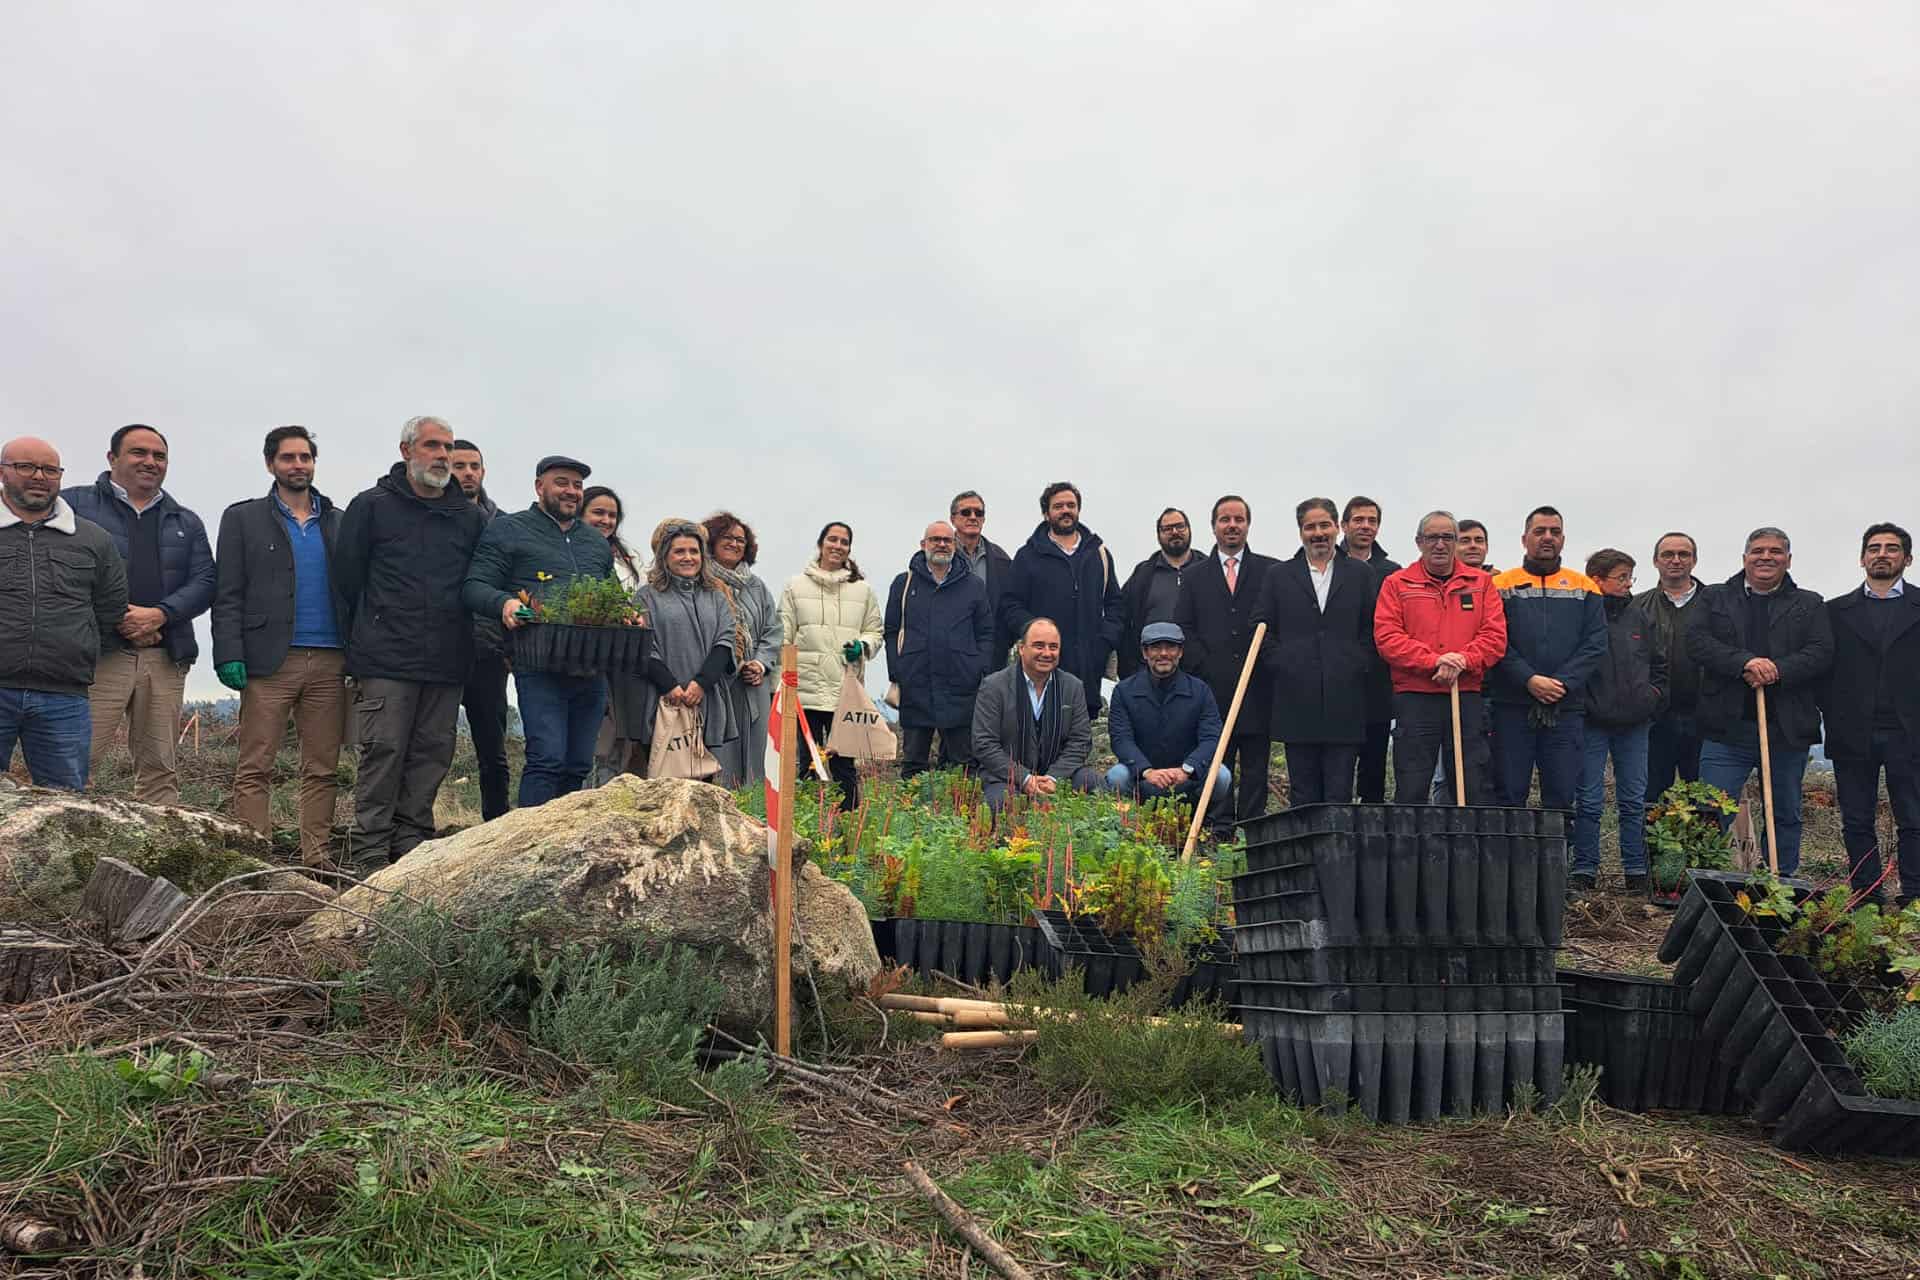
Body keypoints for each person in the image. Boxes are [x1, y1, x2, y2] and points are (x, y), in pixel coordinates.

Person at [334, 416, 487, 872]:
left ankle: (411, 851)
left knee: (431, 756)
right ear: (406, 451)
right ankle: (368, 855)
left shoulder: (470, 517)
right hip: (385, 658)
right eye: (432, 446)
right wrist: (363, 641)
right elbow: (346, 579)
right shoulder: (371, 506)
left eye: (448, 447)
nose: (442, 455)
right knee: (383, 753)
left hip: (447, 659)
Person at [212, 426, 347, 869]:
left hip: (331, 660)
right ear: (270, 463)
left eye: (305, 457)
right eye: (288, 457)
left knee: (323, 767)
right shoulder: (242, 518)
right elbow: (227, 592)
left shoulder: (339, 520)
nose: (298, 465)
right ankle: (255, 859)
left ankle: (318, 858)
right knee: (256, 765)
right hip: (268, 661)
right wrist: (228, 652)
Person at [63, 424, 214, 806]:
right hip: (96, 654)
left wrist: (160, 615)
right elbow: (59, 573)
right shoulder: (73, 506)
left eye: (159, 456)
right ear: (112, 458)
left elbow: (205, 582)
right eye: (138, 453)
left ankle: (156, 854)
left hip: (165, 654)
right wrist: (121, 617)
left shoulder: (186, 520)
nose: (150, 462)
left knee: (160, 766)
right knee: (74, 762)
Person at [464, 454, 616, 808]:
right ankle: (529, 844)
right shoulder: (509, 530)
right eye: (561, 483)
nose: (571, 492)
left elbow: (613, 596)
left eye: (577, 486)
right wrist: (505, 604)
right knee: (546, 759)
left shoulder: (594, 542)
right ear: (539, 487)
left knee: (577, 764)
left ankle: (563, 843)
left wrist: (625, 616)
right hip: (538, 664)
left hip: (591, 668)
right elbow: (474, 586)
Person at [1687, 527, 1834, 876]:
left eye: (1775, 551)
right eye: (1757, 551)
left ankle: (1780, 884)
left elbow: (1821, 652)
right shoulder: (1716, 598)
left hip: (1786, 729)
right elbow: (1696, 641)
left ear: (1788, 559)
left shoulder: (1809, 603)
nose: (1766, 557)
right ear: (1744, 558)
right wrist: (1744, 662)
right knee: (1710, 809)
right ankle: (1701, 882)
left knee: (1783, 811)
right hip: (1726, 729)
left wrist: (1777, 670)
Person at [0, 438, 127, 789]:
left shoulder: (94, 539)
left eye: (50, 470)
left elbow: (110, 609)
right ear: (3, 472)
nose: (39, 476)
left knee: (67, 803)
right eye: (26, 467)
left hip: (63, 696)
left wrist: (74, 647)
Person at [1373, 511, 1507, 805]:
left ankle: (1465, 849)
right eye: (1432, 537)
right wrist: (1434, 661)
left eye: (1447, 537)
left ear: (1456, 542)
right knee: (1411, 786)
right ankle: (1412, 850)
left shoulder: (1482, 583)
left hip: (1466, 697)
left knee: (1470, 785)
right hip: (1415, 698)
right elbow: (1388, 638)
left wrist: (1463, 660)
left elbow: (1495, 637)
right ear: (1419, 542)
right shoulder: (1397, 584)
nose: (1440, 544)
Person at [1252, 498, 1378, 807]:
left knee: (1339, 792)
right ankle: (1306, 856)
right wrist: (1282, 663)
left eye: (1324, 525)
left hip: (1345, 699)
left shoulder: (1361, 575)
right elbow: (1261, 627)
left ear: (1337, 527)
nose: (1318, 533)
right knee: (1303, 794)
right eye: (1310, 527)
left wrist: (1356, 663)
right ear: (1300, 532)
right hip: (1296, 700)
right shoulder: (1278, 575)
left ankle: (1337, 855)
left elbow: (1372, 628)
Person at [1819, 523, 1920, 907]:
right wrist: (1834, 709)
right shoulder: (1835, 611)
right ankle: (1867, 891)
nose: (1882, 554)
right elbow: (1822, 668)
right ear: (1862, 558)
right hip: (1852, 730)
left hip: (1910, 732)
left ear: (1906, 559)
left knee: (1913, 818)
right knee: (1857, 819)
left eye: (1892, 548)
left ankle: (1914, 893)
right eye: (1874, 548)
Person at [1489, 506, 1608, 811]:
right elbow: (1495, 640)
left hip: (1565, 708)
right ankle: (1510, 859)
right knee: (1509, 795)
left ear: (1563, 539)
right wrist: (1528, 679)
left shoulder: (1585, 587)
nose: (1547, 538)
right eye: (1540, 531)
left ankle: (1556, 859)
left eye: (1555, 532)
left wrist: (1562, 684)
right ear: (1524, 538)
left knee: (1561, 797)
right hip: (1511, 706)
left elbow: (1595, 644)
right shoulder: (1500, 586)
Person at [1175, 495, 1279, 824]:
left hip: (1258, 688)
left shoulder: (1271, 571)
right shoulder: (1193, 576)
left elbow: (1279, 623)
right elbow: (1184, 628)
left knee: (1255, 767)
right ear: (1213, 526)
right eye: (1225, 519)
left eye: (1239, 519)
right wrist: (1204, 666)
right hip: (1212, 689)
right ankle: (1218, 829)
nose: (1232, 525)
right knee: (1217, 763)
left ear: (1248, 524)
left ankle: (1251, 830)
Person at [1572, 549, 1667, 896]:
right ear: (1597, 579)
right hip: (1591, 721)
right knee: (1589, 799)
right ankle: (1583, 870)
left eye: (1630, 577)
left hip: (1634, 723)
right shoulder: (1580, 615)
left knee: (1632, 799)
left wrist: (1652, 697)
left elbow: (1659, 665)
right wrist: (1583, 704)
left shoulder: (1640, 618)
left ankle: (1636, 871)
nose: (1628, 584)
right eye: (1622, 577)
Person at [780, 521, 883, 811]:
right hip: (805, 692)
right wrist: (782, 685)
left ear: (849, 549)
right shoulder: (795, 586)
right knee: (806, 762)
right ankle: (804, 823)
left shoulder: (863, 591)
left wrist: (862, 646)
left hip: (844, 692)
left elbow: (876, 633)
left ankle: (848, 825)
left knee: (845, 766)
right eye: (832, 540)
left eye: (844, 542)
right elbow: (783, 635)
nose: (838, 546)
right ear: (821, 544)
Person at [997, 481, 1125, 715]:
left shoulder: (1099, 554)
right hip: (1041, 674)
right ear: (1047, 513)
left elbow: (1115, 604)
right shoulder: (1027, 556)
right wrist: (1034, 631)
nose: (1066, 510)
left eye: (1071, 505)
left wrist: (1104, 641)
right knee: (1038, 747)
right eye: (1058, 506)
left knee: (1078, 747)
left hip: (1088, 676)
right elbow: (1010, 605)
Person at [629, 520, 740, 784]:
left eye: (694, 551)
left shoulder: (716, 596)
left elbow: (725, 641)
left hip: (706, 699)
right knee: (662, 783)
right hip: (662, 701)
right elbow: (642, 646)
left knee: (703, 780)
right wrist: (670, 686)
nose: (688, 557)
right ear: (665, 556)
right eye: (679, 551)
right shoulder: (646, 597)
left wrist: (700, 684)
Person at [884, 521, 993, 777]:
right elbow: (891, 631)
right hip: (916, 686)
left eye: (947, 540)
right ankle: (912, 815)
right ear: (923, 545)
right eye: (935, 540)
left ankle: (961, 815)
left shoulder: (973, 585)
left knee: (964, 765)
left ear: (955, 545)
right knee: (913, 764)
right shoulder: (904, 583)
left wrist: (977, 668)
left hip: (960, 688)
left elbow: (986, 632)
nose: (941, 544)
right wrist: (898, 670)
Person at [1106, 623, 1232, 830]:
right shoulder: (1124, 691)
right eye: (1155, 647)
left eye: (1170, 647)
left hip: (1186, 776)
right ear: (1145, 653)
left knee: (1221, 776)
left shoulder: (1200, 691)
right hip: (1144, 777)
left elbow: (1212, 738)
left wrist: (1186, 769)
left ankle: (1199, 826)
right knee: (1117, 777)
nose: (1163, 653)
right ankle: (1132, 828)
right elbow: (1121, 739)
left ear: (1180, 652)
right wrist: (1146, 771)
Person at [972, 618, 1101, 810]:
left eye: (1053, 647)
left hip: (1058, 776)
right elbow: (984, 743)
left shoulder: (1073, 687)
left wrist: (1053, 778)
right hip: (1007, 776)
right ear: (1022, 648)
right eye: (1039, 646)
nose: (1047, 653)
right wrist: (1023, 778)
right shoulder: (993, 687)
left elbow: (1080, 742)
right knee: (1002, 804)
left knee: (1095, 784)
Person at [448, 439, 512, 821]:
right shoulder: (431, 517)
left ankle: (497, 823)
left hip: (489, 649)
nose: (468, 473)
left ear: (483, 471)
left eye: (474, 466)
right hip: (438, 645)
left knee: (493, 748)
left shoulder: (504, 524)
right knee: (432, 745)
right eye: (460, 466)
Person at [705, 512, 784, 785]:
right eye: (727, 537)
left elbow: (773, 631)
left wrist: (760, 664)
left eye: (740, 539)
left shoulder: (757, 587)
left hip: (754, 683)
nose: (735, 544)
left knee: (757, 760)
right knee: (719, 760)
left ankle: (755, 815)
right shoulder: (702, 583)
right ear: (712, 540)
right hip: (717, 683)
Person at [1634, 532, 1711, 806]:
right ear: (1656, 561)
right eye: (1668, 554)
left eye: (1683, 554)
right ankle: (1649, 851)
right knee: (1650, 798)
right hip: (1655, 720)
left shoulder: (1716, 604)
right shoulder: (1637, 606)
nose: (1675, 560)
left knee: (1704, 801)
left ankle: (1701, 851)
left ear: (1694, 560)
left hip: (1706, 718)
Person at [1339, 496, 1402, 803]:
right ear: (1344, 524)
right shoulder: (1325, 565)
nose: (1365, 526)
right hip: (1336, 679)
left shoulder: (1392, 572)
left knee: (1374, 762)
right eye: (1358, 520)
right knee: (1337, 762)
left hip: (1377, 679)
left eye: (1372, 521)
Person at [582, 485, 645, 782]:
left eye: (612, 515)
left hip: (625, 661)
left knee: (620, 738)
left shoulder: (629, 558)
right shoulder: (570, 551)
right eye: (598, 513)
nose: (606, 520)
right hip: (584, 658)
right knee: (591, 738)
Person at [1431, 518, 1494, 801]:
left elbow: (1496, 635)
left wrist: (1465, 660)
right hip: (1433, 687)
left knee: (1477, 776)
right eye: (1465, 540)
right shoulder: (1421, 582)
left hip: (1483, 691)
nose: (1472, 546)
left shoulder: (1494, 584)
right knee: (1440, 778)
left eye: (1478, 541)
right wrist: (1441, 661)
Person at [1118, 508, 1197, 678]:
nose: (1174, 532)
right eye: (1167, 529)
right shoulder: (1143, 574)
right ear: (1158, 535)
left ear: (1189, 529)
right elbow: (1122, 619)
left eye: (1180, 526)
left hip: (1199, 675)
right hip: (1151, 674)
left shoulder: (1207, 570)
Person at [950, 490, 1014, 661]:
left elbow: (1011, 605)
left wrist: (1003, 641)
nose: (973, 517)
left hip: (991, 656)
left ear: (984, 519)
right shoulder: (939, 556)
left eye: (979, 513)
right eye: (966, 512)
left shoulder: (1003, 560)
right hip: (948, 655)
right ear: (953, 519)